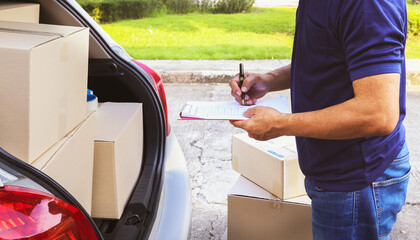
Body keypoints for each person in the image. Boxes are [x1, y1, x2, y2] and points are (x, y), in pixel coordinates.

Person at [229, 0, 410, 239]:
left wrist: (280, 123)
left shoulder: (368, 6)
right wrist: (270, 79)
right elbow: (325, 56)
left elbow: (377, 113)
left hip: (356, 181)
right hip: (333, 173)